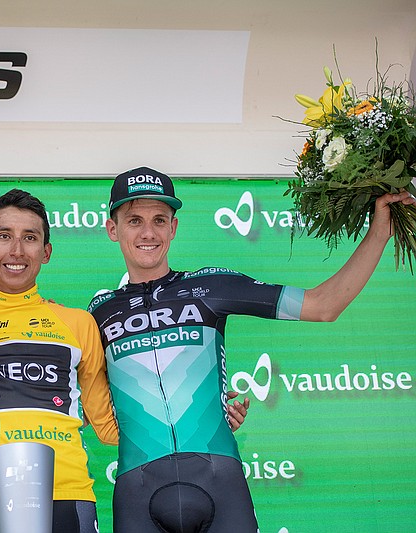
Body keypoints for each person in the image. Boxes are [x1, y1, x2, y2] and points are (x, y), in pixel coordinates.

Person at [87, 166, 415, 533]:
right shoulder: (97, 313)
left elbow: (324, 305)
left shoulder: (210, 286)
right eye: (134, 220)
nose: (148, 232)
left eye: (159, 219)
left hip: (219, 481)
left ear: (173, 227)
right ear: (112, 229)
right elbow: (78, 399)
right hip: (138, 491)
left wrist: (379, 233)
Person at [0, 189, 250, 533]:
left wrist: (200, 420)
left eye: (30, 238)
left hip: (71, 498)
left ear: (46, 251)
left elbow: (110, 428)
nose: (17, 251)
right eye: (4, 236)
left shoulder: (79, 323)